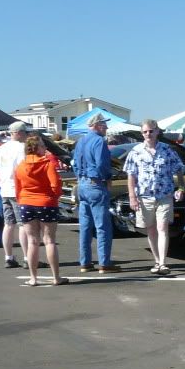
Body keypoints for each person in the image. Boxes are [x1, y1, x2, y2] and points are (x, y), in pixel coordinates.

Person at [123, 119, 185, 276]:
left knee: (162, 228)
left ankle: (163, 263)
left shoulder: (167, 150)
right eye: (145, 132)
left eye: (151, 131)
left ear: (157, 131)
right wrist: (132, 197)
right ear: (141, 134)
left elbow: (179, 169)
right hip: (145, 197)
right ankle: (157, 261)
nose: (148, 134)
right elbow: (131, 176)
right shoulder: (136, 151)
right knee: (151, 230)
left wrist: (181, 187)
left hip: (164, 195)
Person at [14, 135, 66, 286]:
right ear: (37, 148)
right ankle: (56, 277)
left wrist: (22, 200)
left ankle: (33, 278)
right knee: (49, 241)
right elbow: (55, 185)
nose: (45, 148)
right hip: (46, 203)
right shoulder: (47, 164)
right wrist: (54, 197)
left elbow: (18, 188)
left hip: (25, 202)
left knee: (32, 241)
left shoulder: (20, 166)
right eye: (43, 146)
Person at [72, 112, 121, 273]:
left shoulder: (81, 141)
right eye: (104, 125)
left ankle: (85, 262)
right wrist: (107, 177)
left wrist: (81, 177)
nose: (106, 128)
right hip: (95, 185)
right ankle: (104, 263)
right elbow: (101, 164)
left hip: (83, 184)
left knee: (85, 226)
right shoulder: (99, 141)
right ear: (98, 125)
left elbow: (75, 163)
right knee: (103, 226)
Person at [0, 121, 30, 268]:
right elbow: (23, 170)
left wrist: (2, 184)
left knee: (8, 224)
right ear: (19, 133)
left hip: (5, 189)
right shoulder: (22, 148)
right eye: (25, 132)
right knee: (23, 225)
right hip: (18, 191)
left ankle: (9, 257)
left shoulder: (1, 148)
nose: (27, 135)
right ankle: (27, 258)